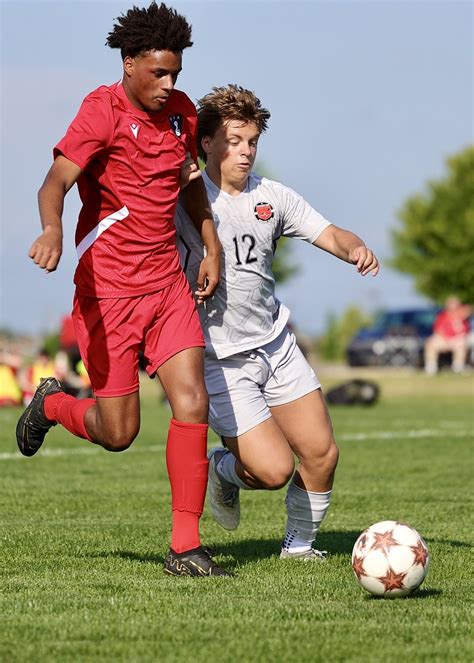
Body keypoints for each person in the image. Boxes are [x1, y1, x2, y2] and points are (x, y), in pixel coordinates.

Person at [15, 2, 231, 578]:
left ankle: (184, 547)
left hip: (166, 282)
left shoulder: (182, 115)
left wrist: (209, 245)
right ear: (129, 62)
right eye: (158, 73)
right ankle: (54, 404)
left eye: (176, 74)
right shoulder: (100, 111)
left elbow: (188, 189)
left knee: (192, 401)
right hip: (108, 289)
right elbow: (55, 180)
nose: (169, 85)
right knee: (120, 433)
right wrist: (53, 229)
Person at [174, 85, 380, 560]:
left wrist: (355, 249)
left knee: (322, 453)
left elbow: (329, 232)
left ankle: (298, 547)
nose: (245, 152)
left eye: (252, 142)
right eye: (234, 140)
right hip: (221, 359)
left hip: (275, 344)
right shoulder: (184, 197)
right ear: (206, 143)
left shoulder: (272, 196)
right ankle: (223, 471)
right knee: (270, 471)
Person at [424, 296, 471, 374]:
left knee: (461, 343)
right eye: (451, 305)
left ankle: (458, 367)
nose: (453, 308)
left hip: (458, 340)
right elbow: (438, 330)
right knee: (430, 343)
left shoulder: (462, 316)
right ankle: (431, 367)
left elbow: (469, 310)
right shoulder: (442, 316)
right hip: (444, 339)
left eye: (455, 306)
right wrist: (446, 340)